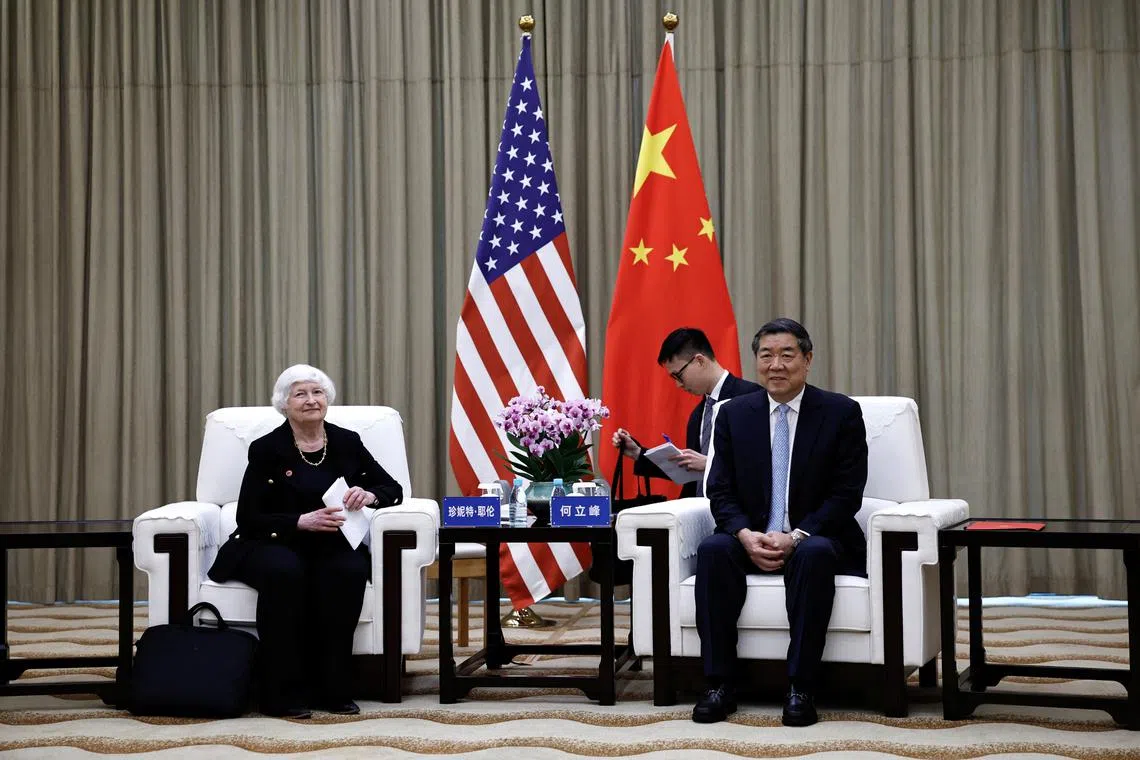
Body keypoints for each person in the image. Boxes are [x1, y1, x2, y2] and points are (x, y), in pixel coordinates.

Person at [693, 318, 868, 727]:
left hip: (815, 535)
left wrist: (797, 535)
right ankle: (720, 684)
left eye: (787, 355)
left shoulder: (840, 413)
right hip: (750, 534)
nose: (776, 365)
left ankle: (800, 687)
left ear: (807, 360)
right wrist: (743, 534)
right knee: (713, 551)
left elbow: (847, 494)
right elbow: (719, 490)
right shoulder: (734, 414)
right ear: (756, 363)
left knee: (815, 554)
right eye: (766, 355)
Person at [208, 364, 403, 719]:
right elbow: (248, 517)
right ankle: (280, 694)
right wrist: (300, 521)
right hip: (272, 542)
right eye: (300, 394)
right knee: (285, 573)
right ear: (284, 404)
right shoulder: (267, 449)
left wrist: (368, 494)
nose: (311, 400)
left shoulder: (347, 441)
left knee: (347, 571)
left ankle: (333, 689)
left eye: (317, 393)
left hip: (330, 543)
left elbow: (394, 490)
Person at [611, 327, 760, 497]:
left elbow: (764, 464)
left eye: (678, 376)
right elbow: (689, 470)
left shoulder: (753, 398)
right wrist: (638, 453)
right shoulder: (698, 414)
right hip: (695, 515)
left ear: (699, 361)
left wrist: (710, 464)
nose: (678, 385)